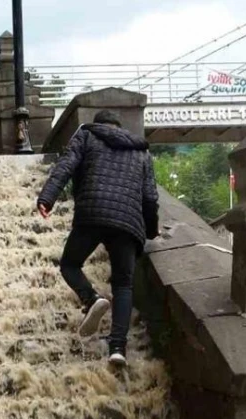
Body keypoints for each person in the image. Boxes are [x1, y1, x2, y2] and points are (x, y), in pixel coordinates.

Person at [36, 110, 159, 366]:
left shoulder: (87, 136)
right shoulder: (141, 151)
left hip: (92, 213)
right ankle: (117, 349)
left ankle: (91, 298)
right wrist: (150, 230)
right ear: (119, 127)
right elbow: (150, 197)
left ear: (99, 124)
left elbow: (66, 166)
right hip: (128, 223)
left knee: (70, 264)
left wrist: (47, 198)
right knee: (123, 285)